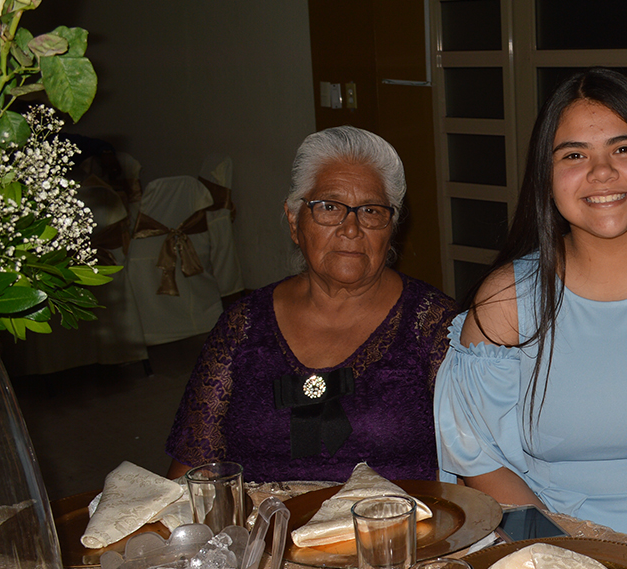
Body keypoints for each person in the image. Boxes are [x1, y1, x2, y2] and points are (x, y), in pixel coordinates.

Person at [434, 67, 627, 545]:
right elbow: (478, 460)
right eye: (574, 154)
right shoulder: (507, 302)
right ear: (546, 178)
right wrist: (570, 554)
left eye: (624, 148)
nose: (602, 172)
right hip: (547, 544)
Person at [166, 126, 456, 482]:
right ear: (293, 220)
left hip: (391, 532)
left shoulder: (435, 325)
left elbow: (477, 464)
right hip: (265, 532)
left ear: (391, 227)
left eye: (371, 211)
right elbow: (193, 470)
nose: (351, 228)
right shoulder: (244, 324)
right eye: (330, 207)